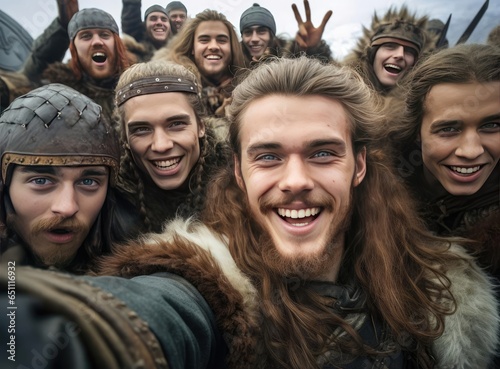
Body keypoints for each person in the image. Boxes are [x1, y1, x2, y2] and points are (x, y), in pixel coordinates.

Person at [2, 57, 497, 369]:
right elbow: (159, 310)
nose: (296, 180)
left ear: (360, 164)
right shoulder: (205, 275)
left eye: (323, 152)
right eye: (268, 156)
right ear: (237, 172)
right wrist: (72, 331)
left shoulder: (447, 288)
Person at [382, 43, 500, 366]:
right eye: (449, 128)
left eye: (492, 125)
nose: (471, 150)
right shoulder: (373, 192)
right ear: (416, 131)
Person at [0, 83, 136, 274]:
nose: (67, 207)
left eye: (88, 182)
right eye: (41, 181)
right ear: (4, 186)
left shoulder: (136, 253)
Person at [113, 60, 230, 233]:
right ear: (125, 139)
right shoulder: (108, 204)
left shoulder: (240, 183)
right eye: (142, 129)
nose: (161, 145)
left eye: (176, 124)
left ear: (201, 126)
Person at [20, 6, 129, 124]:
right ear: (74, 49)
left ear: (117, 43)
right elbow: (29, 77)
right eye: (86, 36)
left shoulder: (137, 84)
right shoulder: (58, 93)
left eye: (104, 35)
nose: (97, 41)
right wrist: (62, 26)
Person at [153, 9, 246, 117]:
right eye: (204, 40)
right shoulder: (168, 87)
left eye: (222, 40)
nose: (213, 46)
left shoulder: (247, 90)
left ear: (232, 47)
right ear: (192, 47)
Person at [343, 5, 435, 96]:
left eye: (409, 51)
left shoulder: (424, 101)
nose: (400, 55)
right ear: (372, 54)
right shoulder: (342, 92)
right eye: (390, 46)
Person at [239, 1, 333, 65]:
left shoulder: (290, 57)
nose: (254, 38)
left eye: (261, 31)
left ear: (271, 35)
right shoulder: (232, 64)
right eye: (248, 32)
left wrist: (311, 50)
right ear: (242, 37)